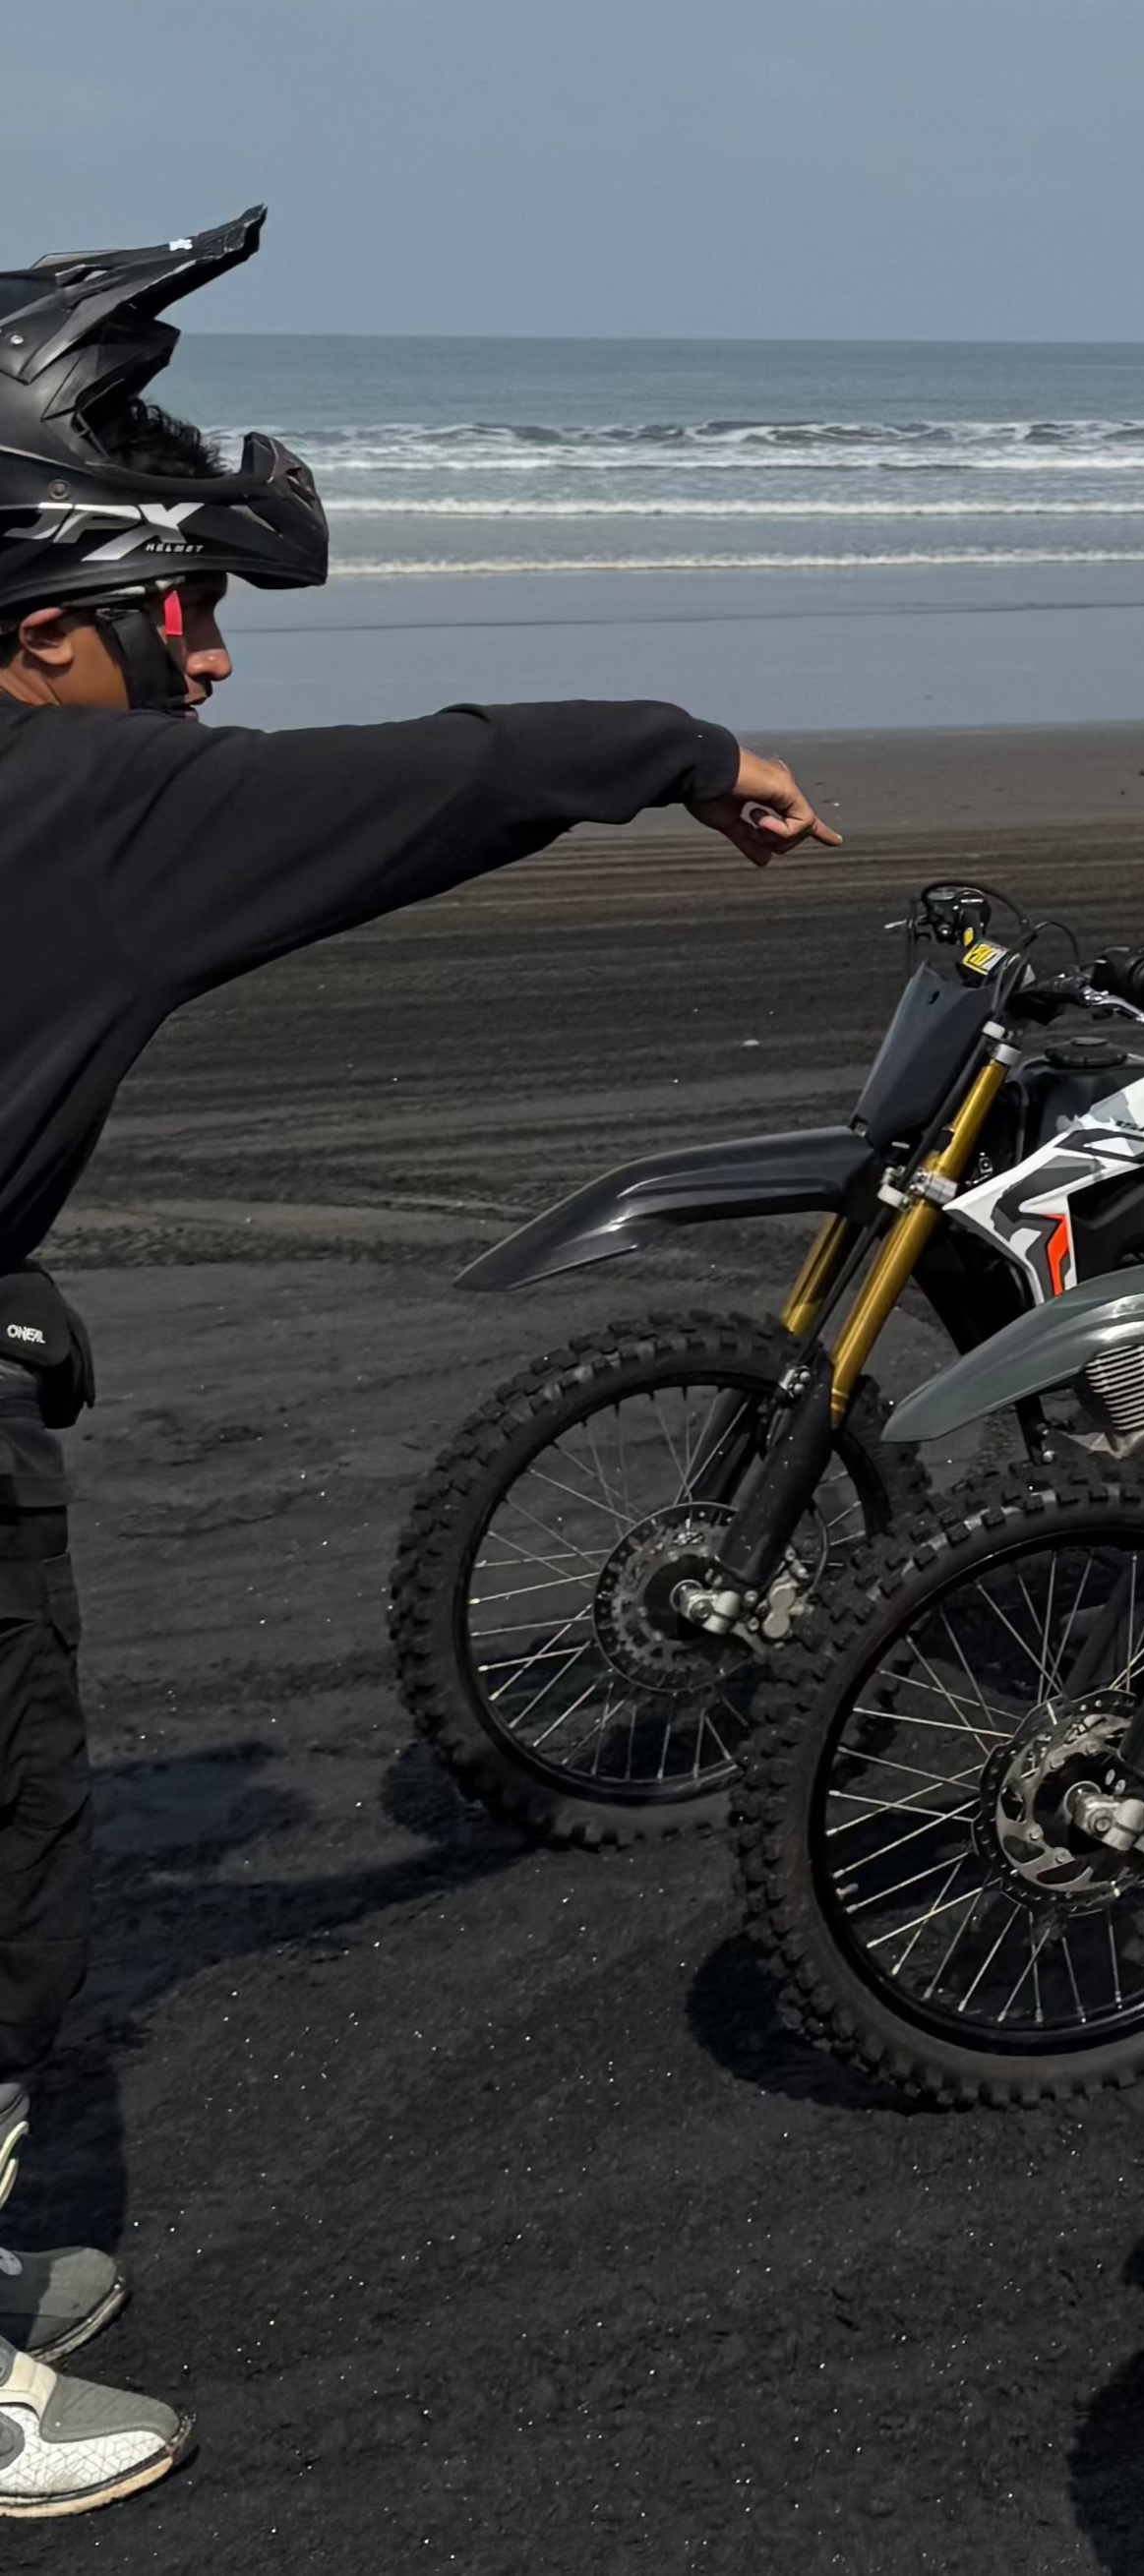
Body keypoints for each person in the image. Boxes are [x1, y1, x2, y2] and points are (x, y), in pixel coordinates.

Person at [0, 210, 839, 2516]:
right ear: (46, 628)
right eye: (183, 616)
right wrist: (688, 749)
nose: (209, 670)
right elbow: (452, 774)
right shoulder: (77, 803)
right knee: (12, 1875)